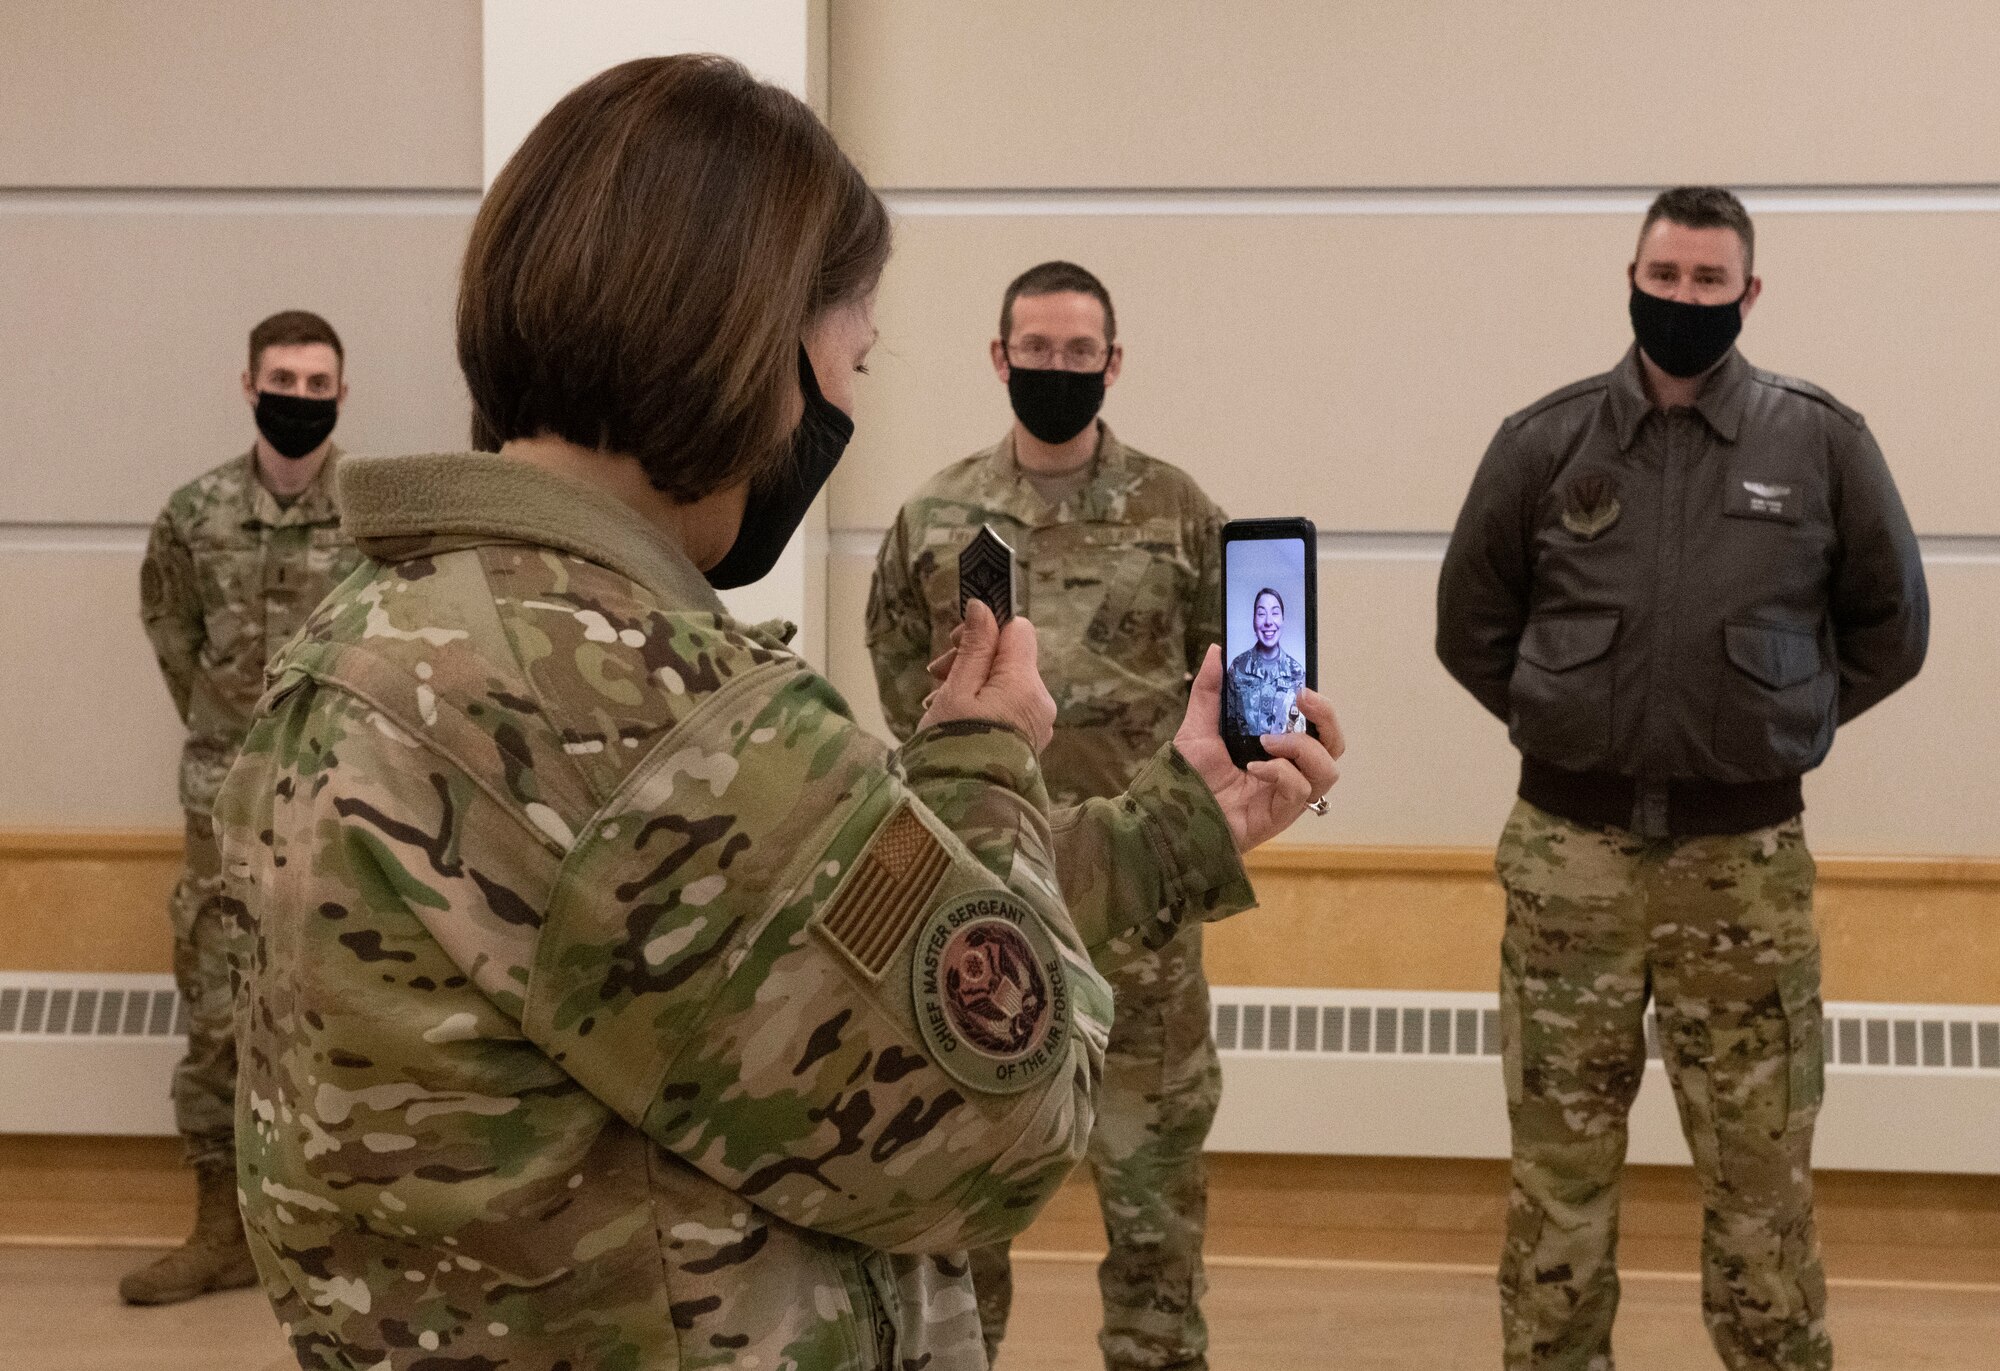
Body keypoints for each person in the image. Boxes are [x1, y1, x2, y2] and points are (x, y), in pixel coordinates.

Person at [213, 57, 1342, 1371]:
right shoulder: (636, 704)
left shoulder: (381, 629)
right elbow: (1005, 1111)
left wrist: (1161, 828)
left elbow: (788, 957)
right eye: (853, 356)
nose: (851, 403)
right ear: (752, 353)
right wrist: (982, 760)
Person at [1437, 186, 1928, 1371]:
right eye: (1664, 276)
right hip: (1571, 866)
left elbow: (1888, 630)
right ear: (1630, 276)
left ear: (1748, 294)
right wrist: (1573, 724)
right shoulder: (1543, 441)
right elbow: (1470, 628)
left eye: (1709, 282)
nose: (1682, 300)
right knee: (1557, 1189)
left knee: (1759, 1194)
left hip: (1740, 876)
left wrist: (1773, 725)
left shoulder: (1819, 444)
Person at [869, 259, 1233, 1371]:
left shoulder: (1178, 515)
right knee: (966, 1214)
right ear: (999, 358)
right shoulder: (938, 516)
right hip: (983, 915)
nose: (1057, 371)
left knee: (1153, 1216)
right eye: (1037, 351)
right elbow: (901, 674)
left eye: (1080, 354)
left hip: (1139, 927)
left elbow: (1229, 677)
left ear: (1111, 365)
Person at [126, 309, 361, 1306]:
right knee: (221, 1018)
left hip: (346, 809)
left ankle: (339, 1253)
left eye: (317, 385)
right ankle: (220, 1234)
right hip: (224, 807)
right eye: (283, 380)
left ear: (342, 395)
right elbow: (173, 637)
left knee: (349, 1018)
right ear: (247, 383)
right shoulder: (196, 513)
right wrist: (233, 743)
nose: (297, 400)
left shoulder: (374, 515)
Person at [1224, 588, 1306, 740]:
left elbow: (1300, 732)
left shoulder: (1297, 673)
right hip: (1243, 761)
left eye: (1275, 613)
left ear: (1283, 619)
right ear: (1254, 620)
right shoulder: (1237, 668)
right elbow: (1228, 727)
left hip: (1286, 762)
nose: (1268, 621)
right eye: (1261, 614)